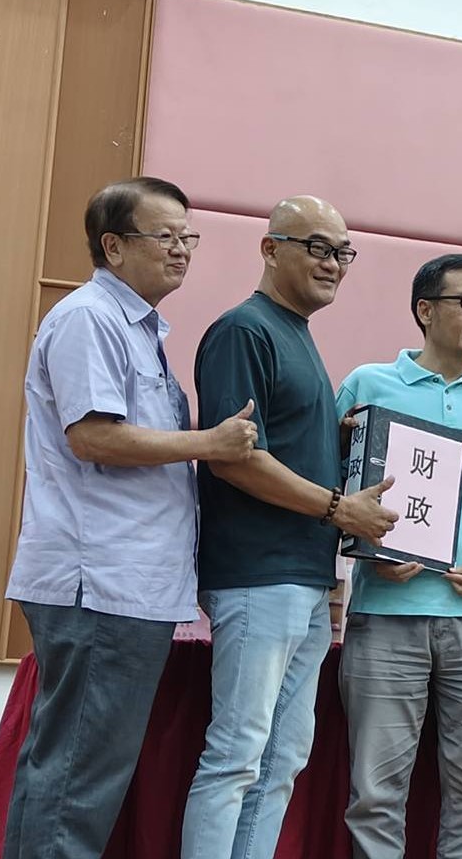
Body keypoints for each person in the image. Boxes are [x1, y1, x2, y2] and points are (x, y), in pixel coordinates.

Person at [1, 178, 256, 859]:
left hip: (128, 583)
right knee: (77, 780)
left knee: (69, 772)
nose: (181, 249)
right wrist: (209, 443)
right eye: (164, 236)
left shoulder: (137, 328)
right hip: (100, 581)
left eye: (188, 237)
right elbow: (94, 437)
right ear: (112, 246)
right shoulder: (90, 318)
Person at [182, 195, 397, 859]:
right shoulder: (244, 330)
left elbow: (279, 444)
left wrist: (335, 438)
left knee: (282, 759)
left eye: (343, 252)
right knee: (238, 754)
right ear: (270, 248)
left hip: (304, 578)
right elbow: (233, 458)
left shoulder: (295, 332)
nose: (333, 263)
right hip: (258, 574)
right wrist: (339, 509)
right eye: (317, 248)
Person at [334, 254, 462, 858]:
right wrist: (367, 549)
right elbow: (333, 487)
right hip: (386, 615)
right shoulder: (369, 384)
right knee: (376, 793)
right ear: (425, 310)